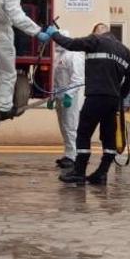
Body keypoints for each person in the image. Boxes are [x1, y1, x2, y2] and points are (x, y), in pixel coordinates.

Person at [46, 23, 130, 184]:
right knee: (108, 137)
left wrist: (54, 34)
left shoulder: (96, 41)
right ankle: (102, 173)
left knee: (83, 133)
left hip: (96, 97)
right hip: (112, 100)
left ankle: (79, 171)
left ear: (97, 33)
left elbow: (70, 44)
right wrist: (120, 95)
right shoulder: (125, 51)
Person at [50, 29, 85, 169]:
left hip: (71, 97)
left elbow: (78, 79)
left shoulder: (74, 55)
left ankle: (74, 156)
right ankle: (68, 154)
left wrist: (69, 95)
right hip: (60, 97)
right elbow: (55, 79)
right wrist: (51, 96)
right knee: (64, 127)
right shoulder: (59, 56)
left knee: (71, 127)